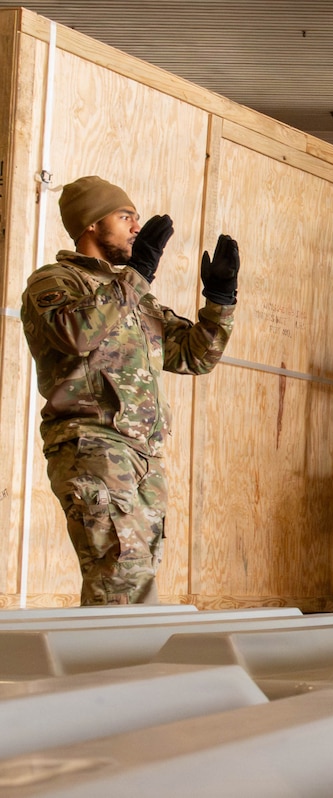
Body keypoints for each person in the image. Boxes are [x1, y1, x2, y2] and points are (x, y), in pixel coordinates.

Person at [21, 176, 241, 605]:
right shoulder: (55, 282)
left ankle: (123, 666)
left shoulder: (136, 298)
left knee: (135, 582)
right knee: (119, 582)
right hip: (93, 447)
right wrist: (137, 275)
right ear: (90, 225)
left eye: (137, 219)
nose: (136, 227)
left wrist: (220, 298)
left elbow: (195, 357)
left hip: (142, 456)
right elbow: (77, 333)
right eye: (125, 217)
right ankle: (111, 668)